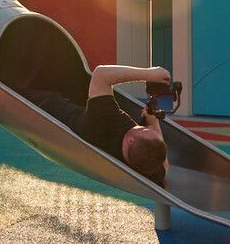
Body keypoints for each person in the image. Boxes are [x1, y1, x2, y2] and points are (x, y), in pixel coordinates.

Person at [31, 64, 171, 178]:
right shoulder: (144, 165)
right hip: (82, 112)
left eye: (145, 129)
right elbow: (164, 168)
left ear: (130, 141)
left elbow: (101, 74)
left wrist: (149, 74)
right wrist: (154, 122)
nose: (149, 128)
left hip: (46, 107)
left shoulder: (103, 123)